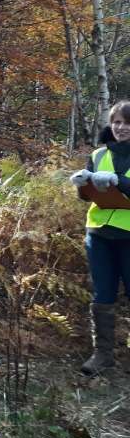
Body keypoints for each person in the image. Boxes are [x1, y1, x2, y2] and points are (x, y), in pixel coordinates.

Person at [70, 100, 130, 375]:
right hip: (99, 234)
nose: (121, 127)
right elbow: (87, 196)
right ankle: (103, 354)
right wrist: (82, 184)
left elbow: (120, 184)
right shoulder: (98, 154)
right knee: (102, 293)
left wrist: (119, 180)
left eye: (127, 123)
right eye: (117, 122)